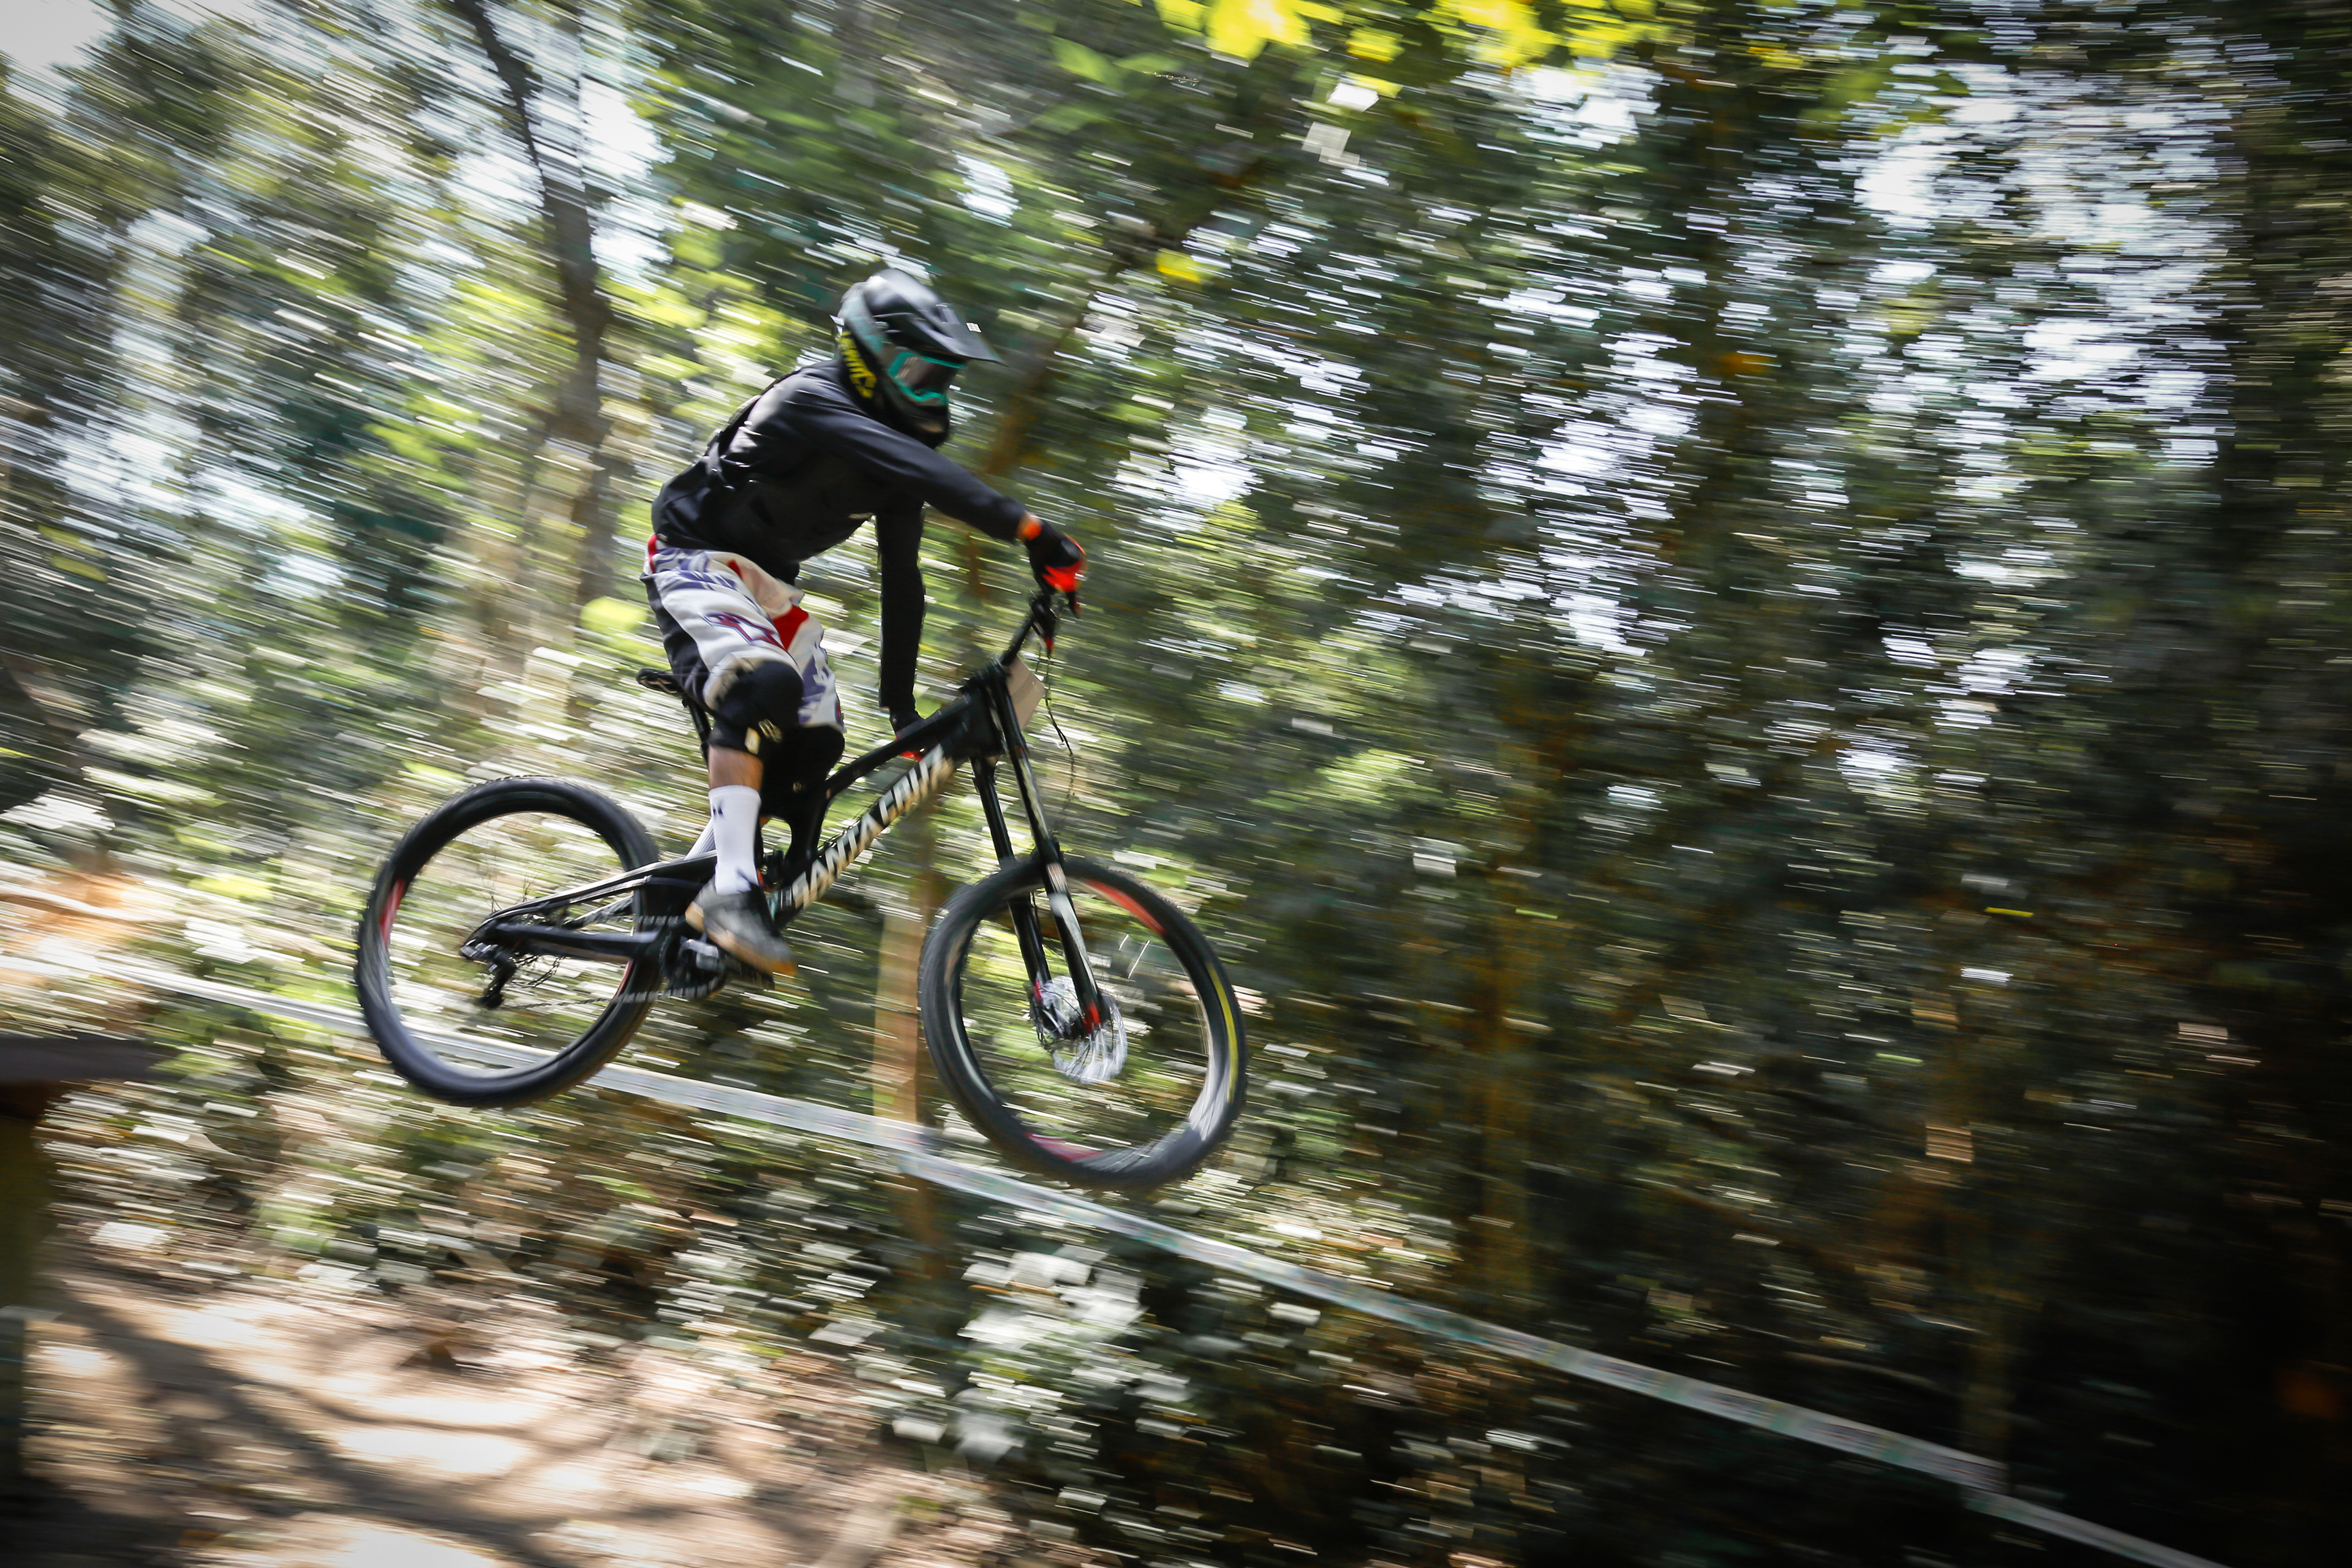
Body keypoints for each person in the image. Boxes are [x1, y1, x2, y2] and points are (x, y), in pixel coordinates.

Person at [643, 268, 1085, 975]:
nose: (935, 394)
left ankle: (704, 883)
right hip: (696, 556)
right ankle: (729, 889)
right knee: (765, 690)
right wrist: (1028, 529)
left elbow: (903, 580)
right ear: (867, 357)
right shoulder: (811, 399)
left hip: (766, 589)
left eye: (945, 379)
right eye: (919, 372)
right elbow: (929, 472)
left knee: (817, 741)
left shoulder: (896, 458)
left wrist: (901, 708)